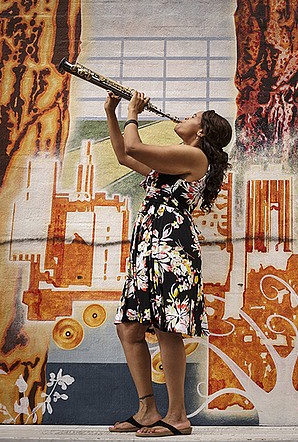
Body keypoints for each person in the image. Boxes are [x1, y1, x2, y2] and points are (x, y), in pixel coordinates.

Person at [104, 91, 232, 437]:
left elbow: (134, 147)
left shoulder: (193, 156)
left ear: (201, 131)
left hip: (171, 248)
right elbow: (123, 155)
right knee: (129, 327)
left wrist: (133, 112)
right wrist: (112, 113)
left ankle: (177, 416)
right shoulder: (176, 163)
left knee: (165, 327)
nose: (184, 117)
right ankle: (147, 409)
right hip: (149, 247)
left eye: (193, 115)